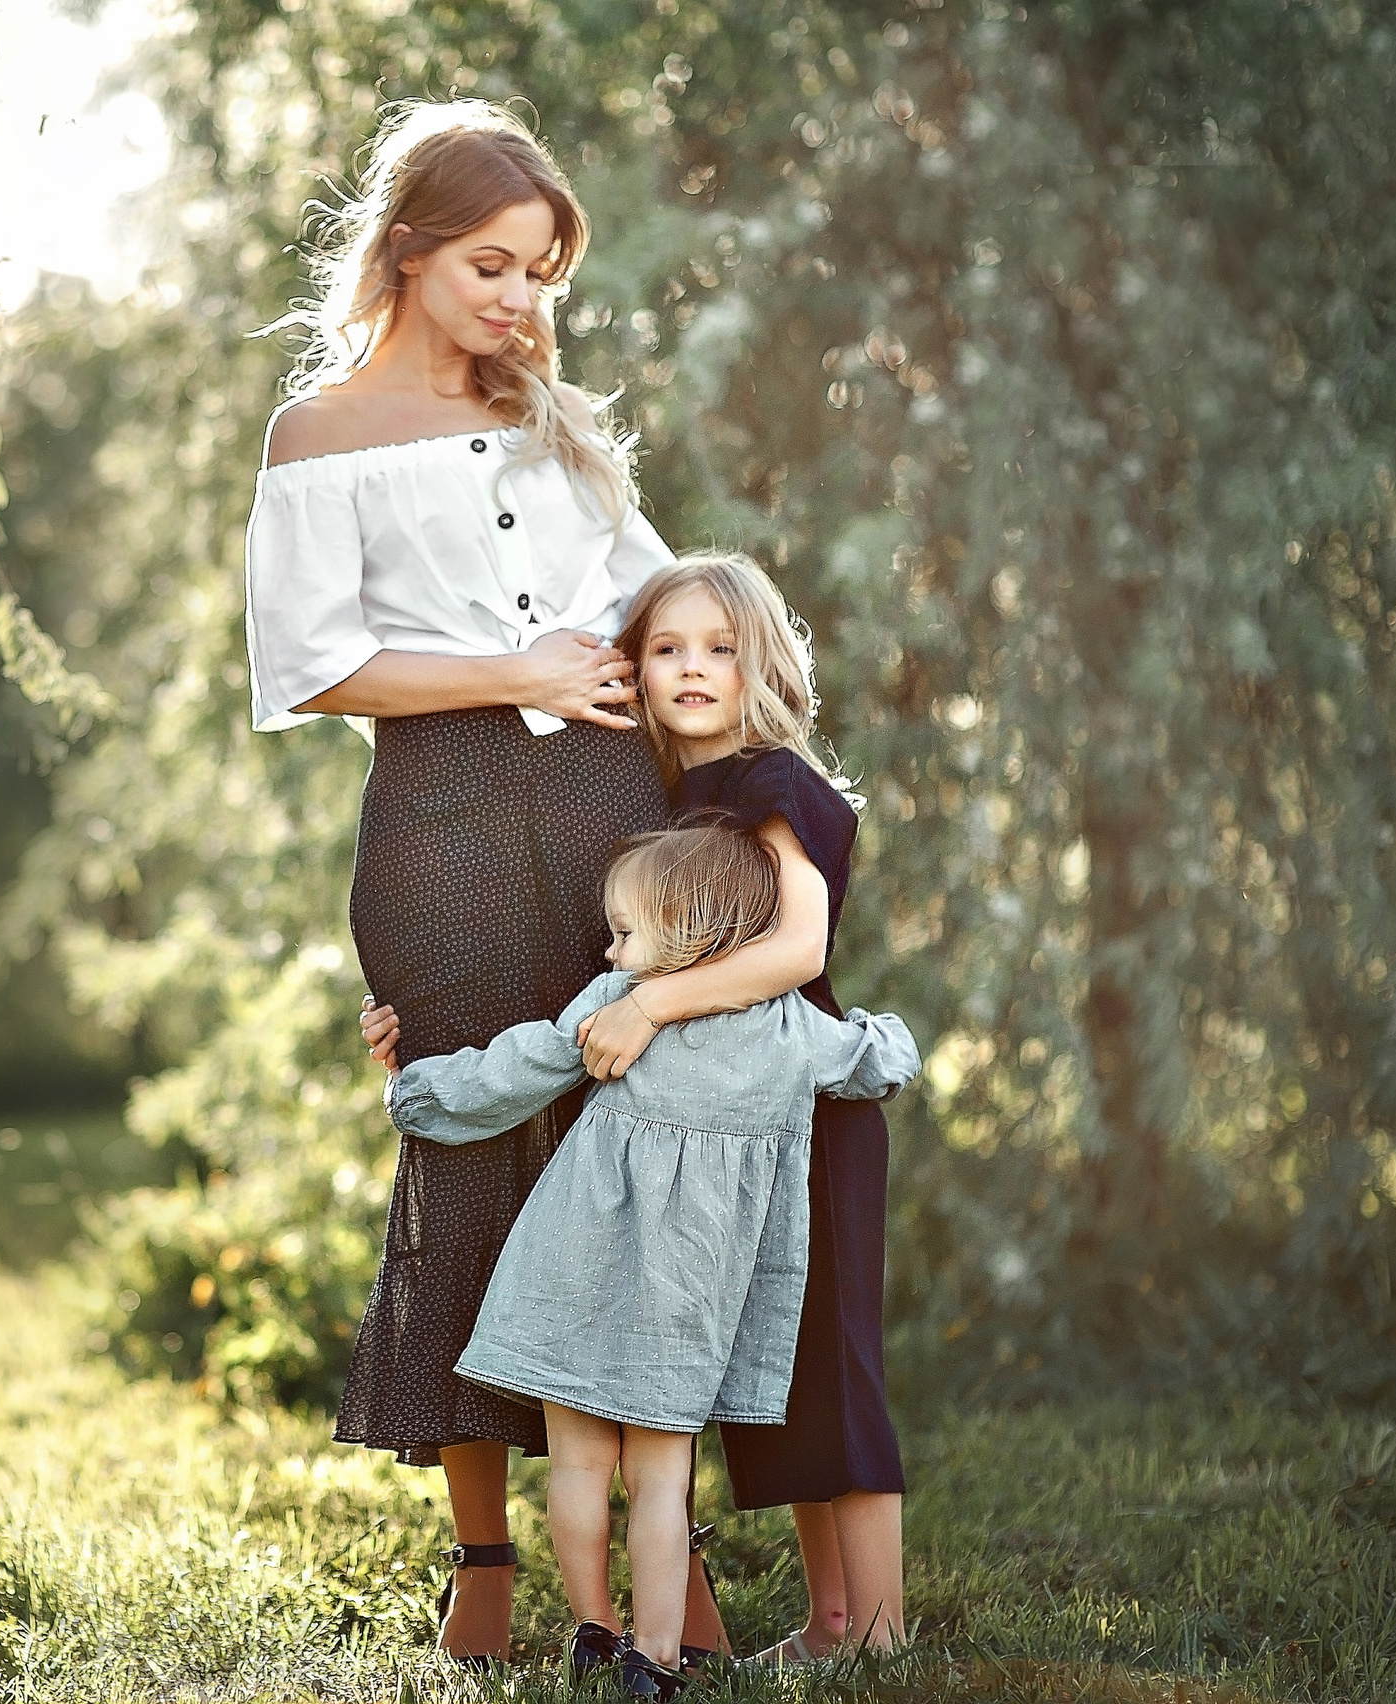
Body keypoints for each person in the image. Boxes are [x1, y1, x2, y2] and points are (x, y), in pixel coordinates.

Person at [241, 99, 712, 1666]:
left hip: (604, 798)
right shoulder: (316, 437)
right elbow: (313, 670)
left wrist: (737, 715)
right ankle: (485, 1563)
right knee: (469, 1157)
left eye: (544, 275)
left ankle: (671, 1560)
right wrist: (508, 668)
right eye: (495, 266)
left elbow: (653, 593)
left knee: (627, 1147)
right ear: (409, 251)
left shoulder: (552, 415)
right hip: (435, 815)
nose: (523, 301)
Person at [363, 552, 912, 1660]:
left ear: (766, 663)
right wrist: (411, 1019)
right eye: (667, 649)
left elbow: (798, 948)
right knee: (786, 1363)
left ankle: (885, 1630)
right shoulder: (668, 794)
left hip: (791, 1091)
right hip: (707, 1116)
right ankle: (829, 1621)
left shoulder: (774, 784)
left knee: (832, 1358)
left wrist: (650, 1005)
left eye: (719, 648)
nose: (693, 669)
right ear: (632, 668)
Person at [383, 823, 920, 1699]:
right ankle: (657, 1657)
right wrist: (889, 1033)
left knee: (578, 1467)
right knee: (663, 1480)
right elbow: (877, 1064)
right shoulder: (791, 1027)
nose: (610, 946)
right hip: (690, 1297)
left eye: (626, 931)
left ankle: (591, 1628)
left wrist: (417, 1092)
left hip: (574, 1267)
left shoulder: (615, 1001)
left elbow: (519, 1070)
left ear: (691, 934)